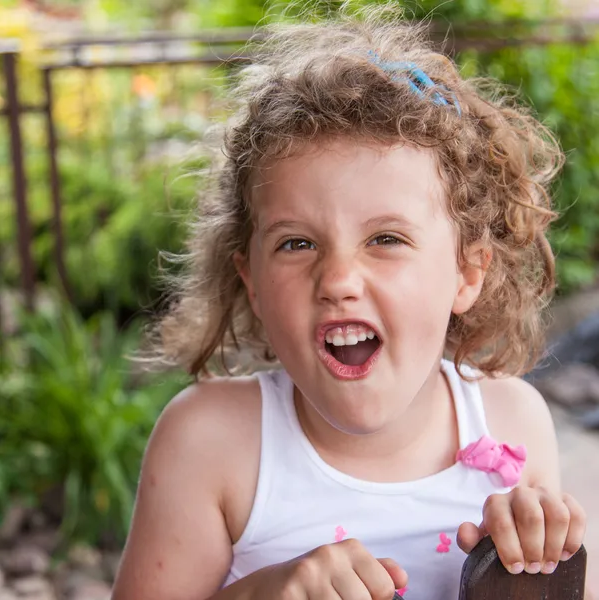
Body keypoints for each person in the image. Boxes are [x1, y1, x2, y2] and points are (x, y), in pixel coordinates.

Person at [112, 6, 589, 600]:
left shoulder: (512, 419)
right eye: (297, 242)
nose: (337, 278)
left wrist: (543, 562)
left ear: (467, 271)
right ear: (252, 280)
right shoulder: (211, 444)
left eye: (385, 239)